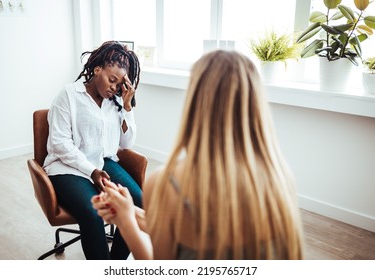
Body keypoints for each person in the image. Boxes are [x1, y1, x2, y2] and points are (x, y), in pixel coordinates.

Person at [92, 50, 304, 260]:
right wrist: (130, 213)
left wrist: (127, 223)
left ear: (195, 102)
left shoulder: (169, 182)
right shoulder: (280, 180)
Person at [43, 40, 142, 260]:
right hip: (66, 165)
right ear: (97, 69)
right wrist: (91, 171)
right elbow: (59, 143)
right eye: (111, 80)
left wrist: (127, 108)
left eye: (119, 84)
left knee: (138, 201)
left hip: (102, 161)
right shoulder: (69, 94)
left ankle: (113, 266)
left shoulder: (115, 102)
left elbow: (127, 144)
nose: (113, 88)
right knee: (92, 214)